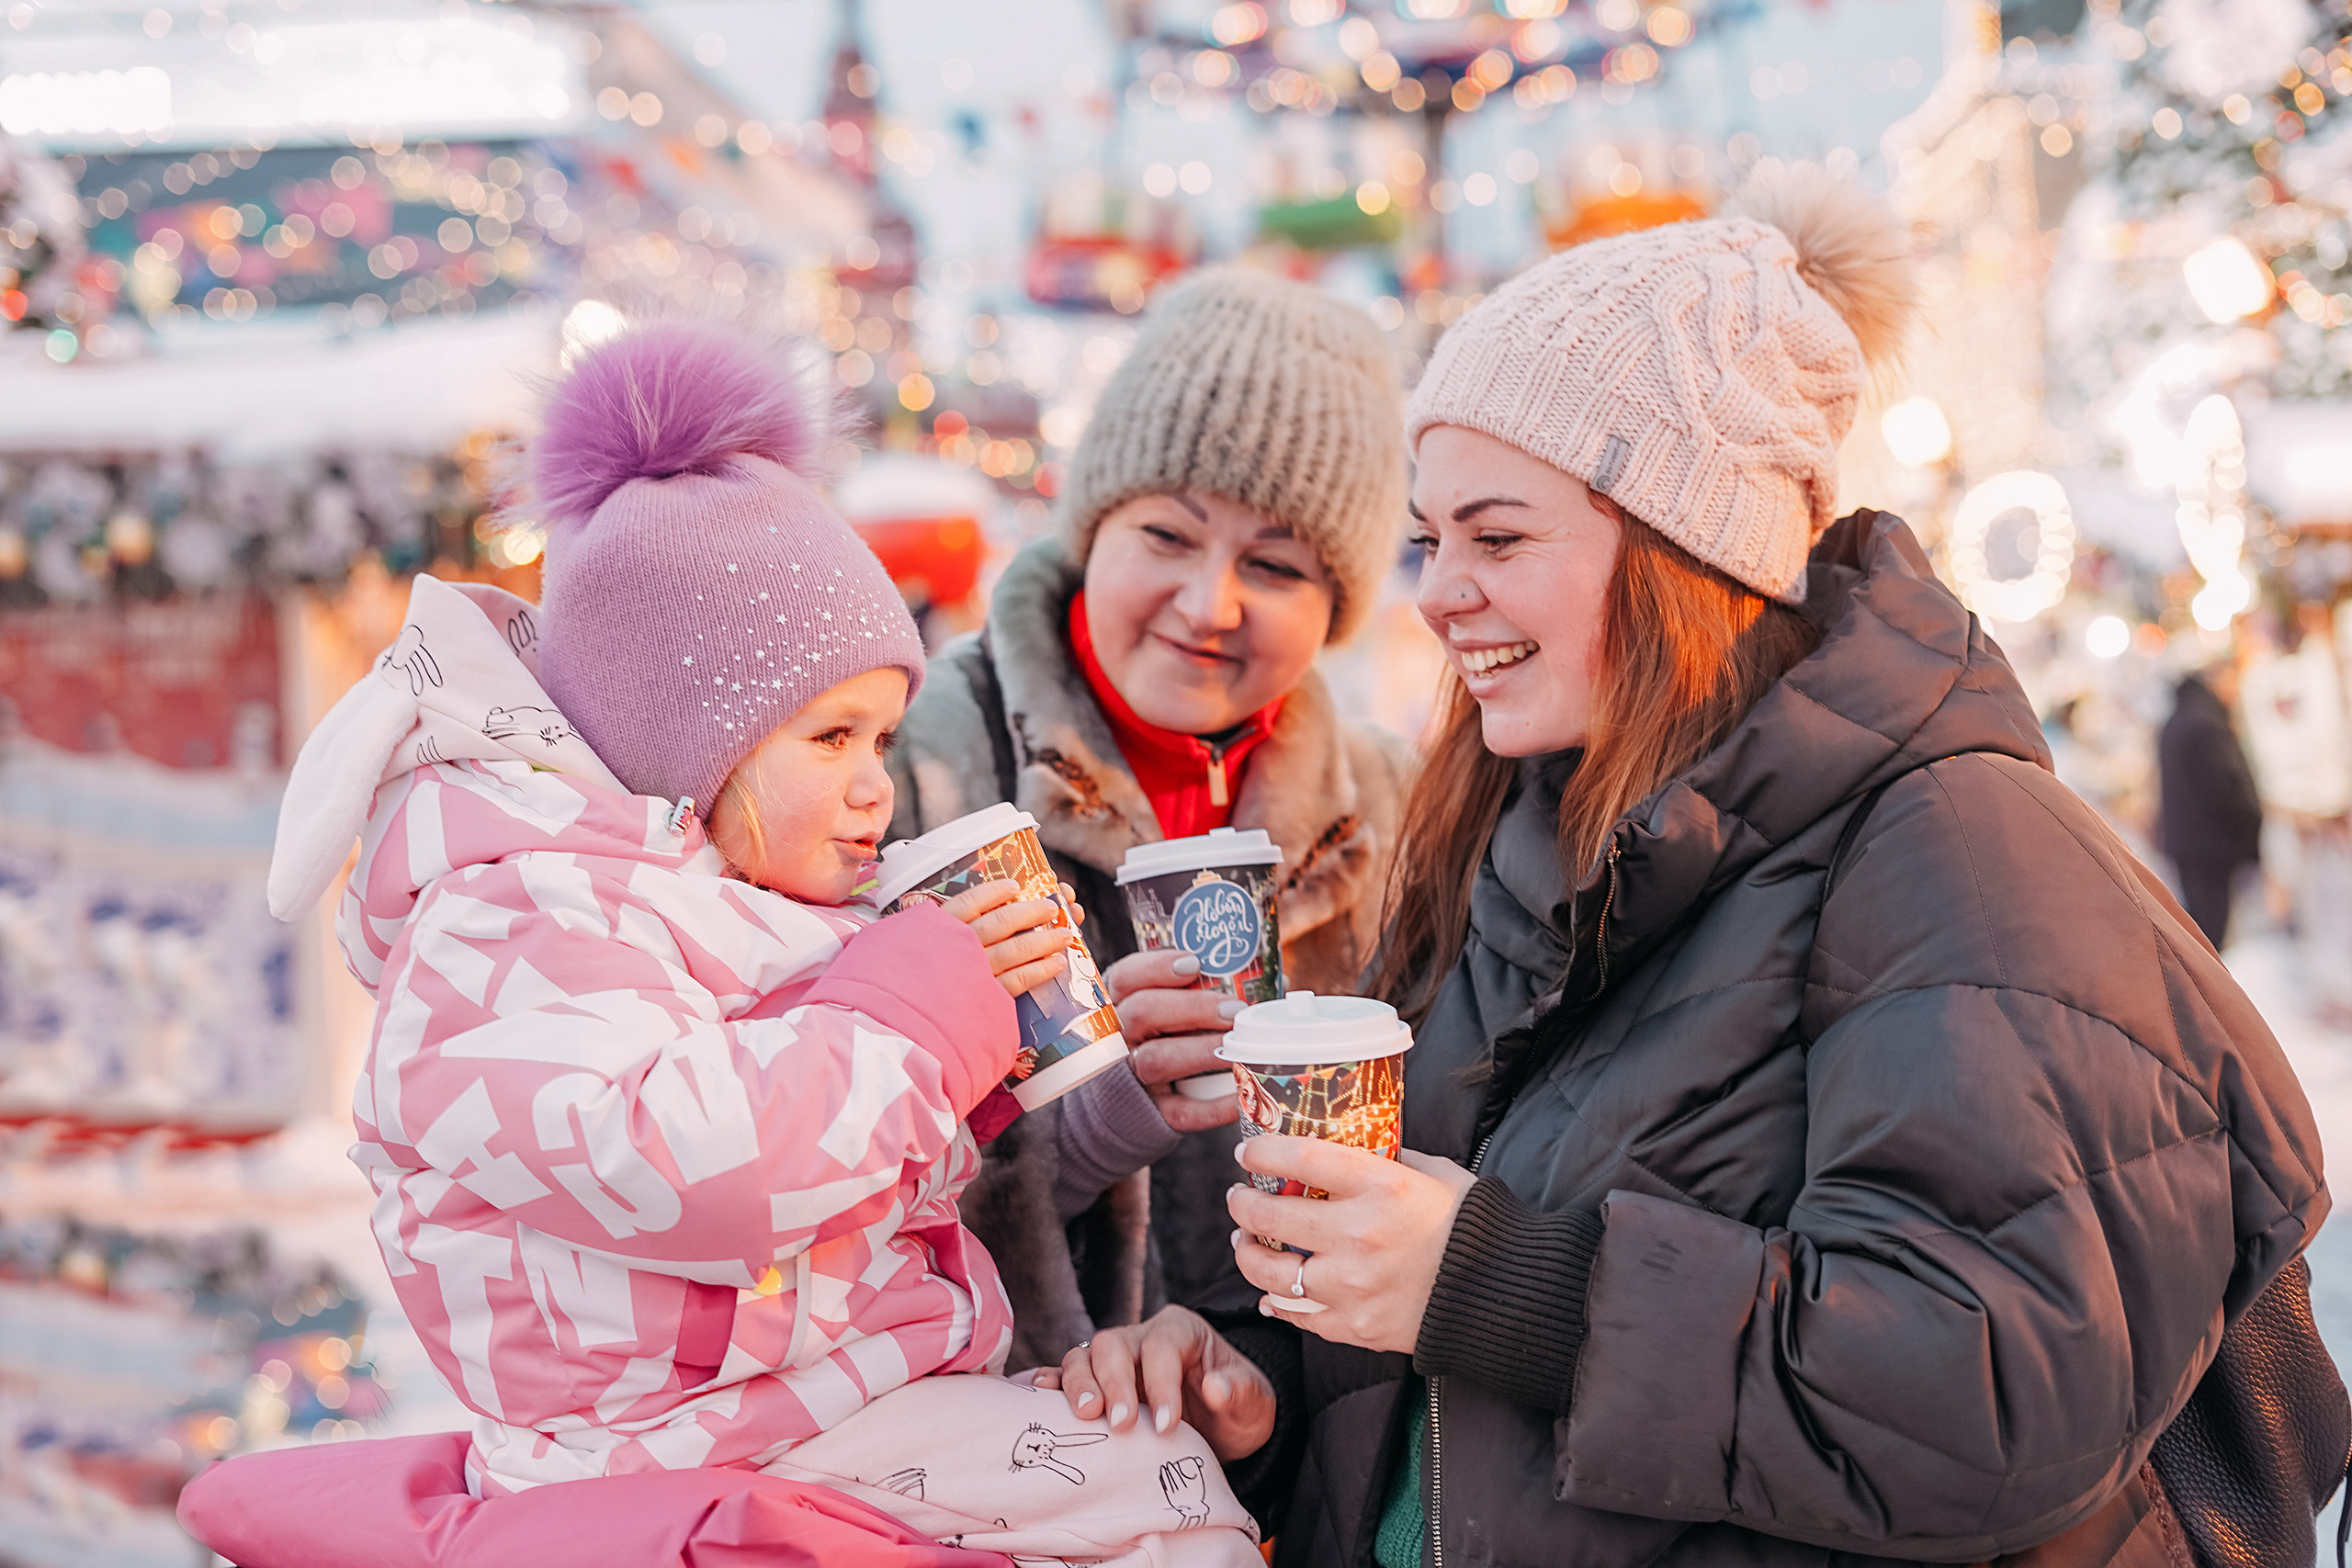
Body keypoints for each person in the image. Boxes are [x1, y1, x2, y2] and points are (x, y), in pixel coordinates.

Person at [1043, 171, 2328, 1568]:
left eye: (1497, 535)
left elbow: (2003, 1387)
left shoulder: (1962, 851)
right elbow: (1440, 1349)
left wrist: (1497, 1283)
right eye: (1430, 537)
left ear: (1684, 545)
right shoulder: (1529, 841)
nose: (1439, 591)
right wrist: (1261, 1386)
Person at [223, 321, 1261, 1568]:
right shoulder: (513, 921)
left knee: (1157, 1481)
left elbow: (831, 1144)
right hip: (678, 1441)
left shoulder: (725, 898)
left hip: (798, 1406)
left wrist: (1017, 1075)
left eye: (883, 739)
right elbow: (689, 1161)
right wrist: (922, 1007)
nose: (875, 785)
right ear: (684, 740)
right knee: (1157, 1496)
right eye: (830, 738)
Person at [888, 268, 1409, 1364]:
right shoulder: (917, 772)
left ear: (1336, 605)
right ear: (1095, 525)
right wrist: (1086, 1128)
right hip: (1020, 1433)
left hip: (1306, 1431)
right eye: (1169, 536)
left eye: (1275, 565)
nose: (1209, 605)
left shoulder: (1388, 811)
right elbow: (827, 1178)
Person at [2157, 654, 2264, 949]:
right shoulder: (2206, 724)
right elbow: (2227, 788)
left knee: (2200, 926)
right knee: (2213, 931)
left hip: (2187, 845)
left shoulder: (2176, 720)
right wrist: (2251, 827)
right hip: (2211, 847)